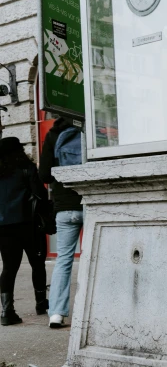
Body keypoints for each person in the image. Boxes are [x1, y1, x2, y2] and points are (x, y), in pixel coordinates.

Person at [40, 117, 83, 329]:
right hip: (90, 202)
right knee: (95, 257)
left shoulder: (52, 135)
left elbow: (44, 174)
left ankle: (56, 313)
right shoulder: (90, 132)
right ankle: (91, 308)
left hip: (65, 207)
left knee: (63, 260)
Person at [0, 137, 49, 326]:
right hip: (29, 224)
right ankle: (40, 303)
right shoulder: (27, 168)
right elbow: (40, 194)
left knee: (9, 268)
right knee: (37, 263)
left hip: (4, 227)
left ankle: (7, 311)